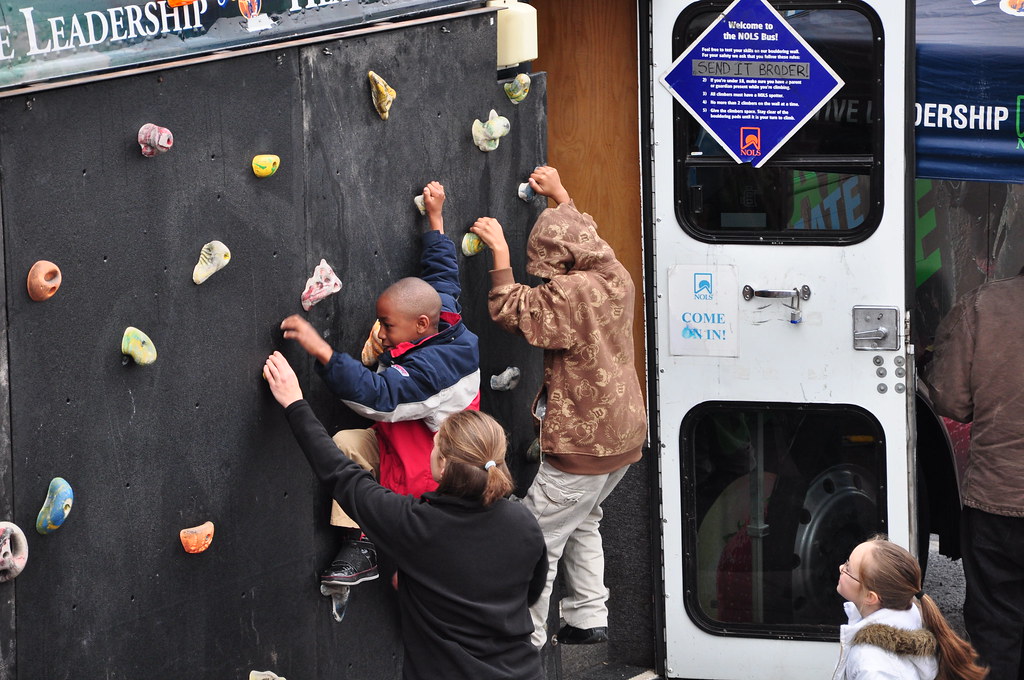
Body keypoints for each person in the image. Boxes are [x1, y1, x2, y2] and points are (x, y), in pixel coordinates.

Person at [263, 351, 546, 680]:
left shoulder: (417, 526)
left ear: (442, 466)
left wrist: (295, 402)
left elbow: (342, 475)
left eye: (436, 444)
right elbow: (530, 593)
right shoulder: (524, 522)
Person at [469, 166, 647, 648]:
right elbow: (585, 236)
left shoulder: (571, 293)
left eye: (545, 265)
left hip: (582, 444)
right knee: (584, 518)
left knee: (534, 536)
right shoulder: (615, 274)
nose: (542, 274)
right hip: (624, 439)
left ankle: (522, 639)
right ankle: (588, 615)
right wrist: (561, 199)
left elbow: (512, 308)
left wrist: (501, 253)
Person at [281, 181, 480, 588]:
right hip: (399, 437)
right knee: (347, 445)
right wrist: (435, 217)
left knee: (411, 540)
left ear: (421, 325)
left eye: (388, 326)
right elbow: (443, 273)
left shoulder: (437, 372)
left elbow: (381, 396)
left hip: (428, 469)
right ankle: (363, 538)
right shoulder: (441, 314)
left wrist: (322, 351)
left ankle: (368, 544)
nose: (383, 333)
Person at [922, 268, 1024, 680]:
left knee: (996, 627)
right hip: (995, 498)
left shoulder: (983, 307)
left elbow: (950, 400)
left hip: (997, 502)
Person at [833, 535, 987, 680]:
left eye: (848, 568)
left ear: (870, 597)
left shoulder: (870, 662)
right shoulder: (915, 618)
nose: (841, 567)